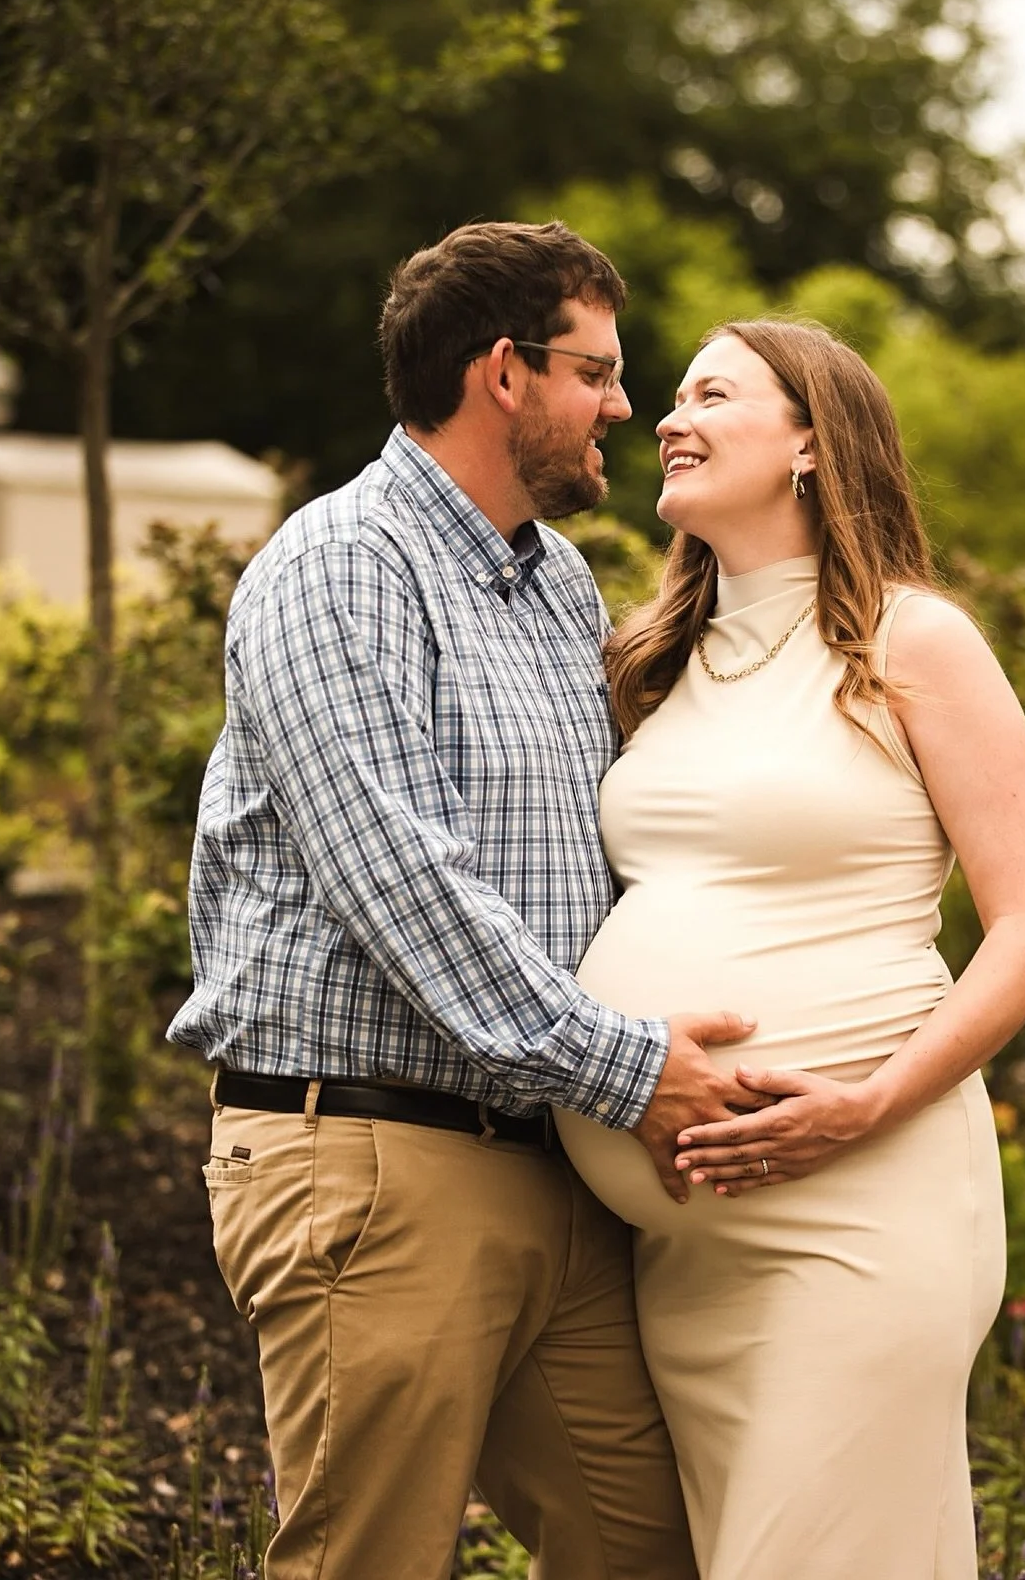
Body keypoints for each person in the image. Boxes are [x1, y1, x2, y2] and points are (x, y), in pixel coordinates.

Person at [168, 220, 769, 1580]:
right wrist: (632, 1068)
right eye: (598, 372)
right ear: (506, 372)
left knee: (652, 1548)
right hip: (375, 1162)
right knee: (367, 1562)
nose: (625, 405)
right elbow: (397, 878)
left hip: (553, 1160)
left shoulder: (557, 585)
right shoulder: (341, 565)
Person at [556, 317, 1025, 1580]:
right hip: (687, 1253)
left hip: (863, 1211)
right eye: (667, 395)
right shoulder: (651, 660)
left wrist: (867, 1105)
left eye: (711, 395)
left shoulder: (914, 643)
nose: (666, 417)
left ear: (808, 441)